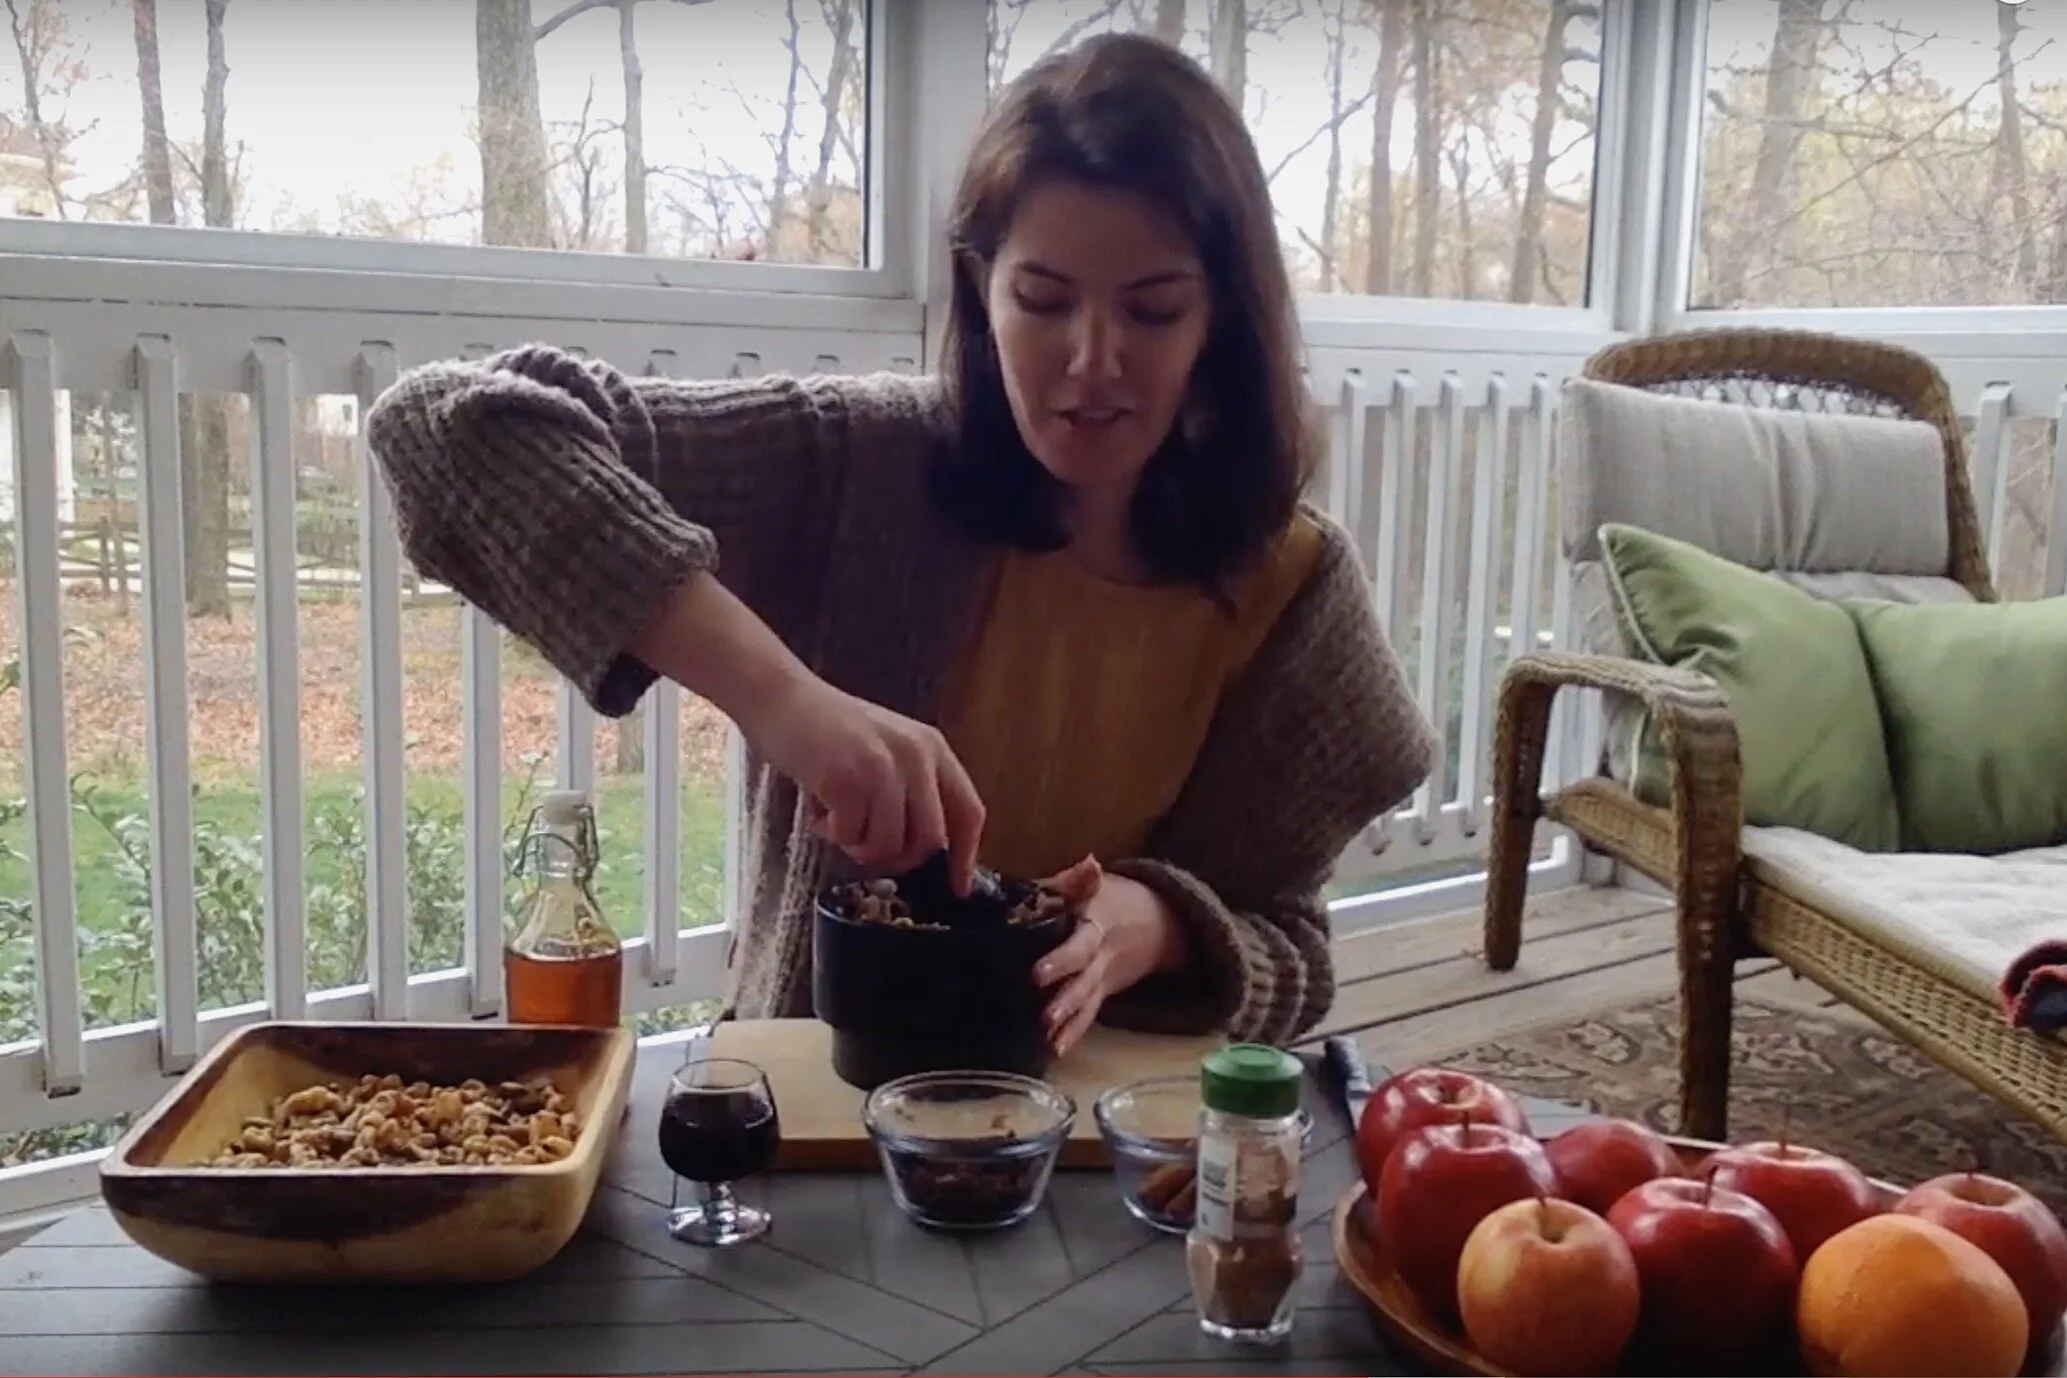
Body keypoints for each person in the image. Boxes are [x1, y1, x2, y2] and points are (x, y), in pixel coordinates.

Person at [366, 32, 1434, 1052]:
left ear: (1221, 323)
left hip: (1103, 1158)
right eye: (1043, 300)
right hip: (819, 1115)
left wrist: (1155, 923)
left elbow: (1291, 946)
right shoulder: (861, 467)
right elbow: (444, 427)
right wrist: (785, 699)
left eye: (1153, 311)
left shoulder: (1291, 587)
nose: (1091, 361)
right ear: (980, 286)